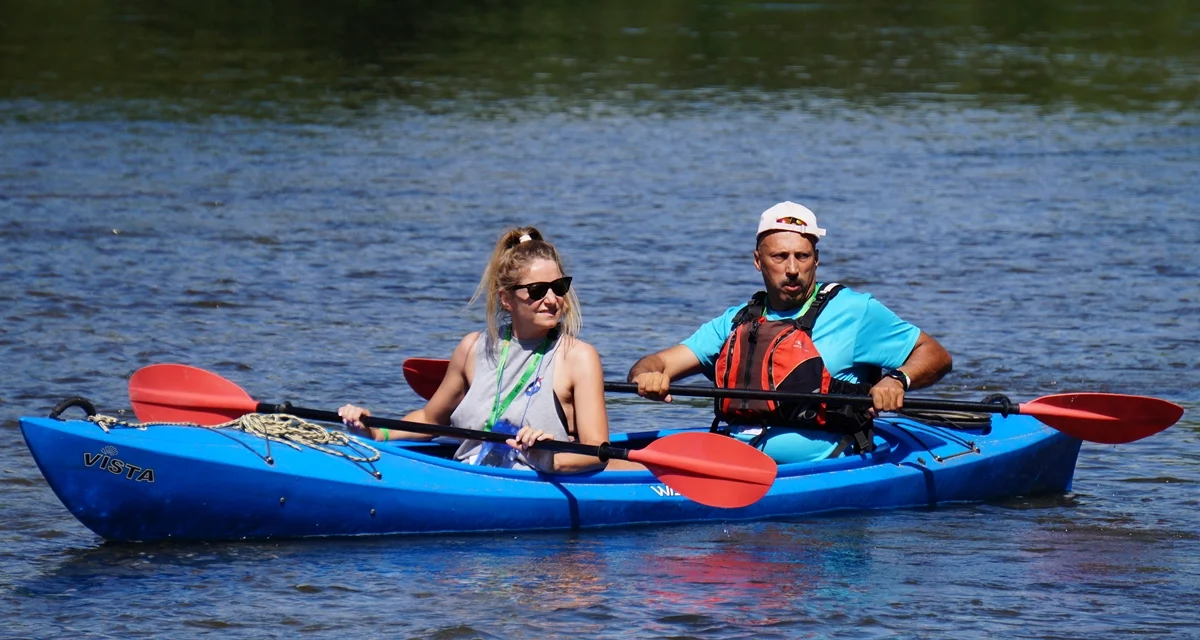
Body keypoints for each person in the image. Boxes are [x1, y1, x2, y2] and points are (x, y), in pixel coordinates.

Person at [627, 201, 953, 463]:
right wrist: (648, 376)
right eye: (780, 256)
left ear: (817, 260)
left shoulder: (855, 311)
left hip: (827, 470)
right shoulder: (737, 321)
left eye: (802, 256)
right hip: (736, 459)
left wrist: (898, 379)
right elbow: (654, 363)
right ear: (758, 261)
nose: (793, 268)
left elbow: (935, 355)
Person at [339, 226, 638, 473]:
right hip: (468, 473)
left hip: (536, 486)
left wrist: (549, 459)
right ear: (506, 299)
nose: (552, 299)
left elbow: (597, 452)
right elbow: (431, 420)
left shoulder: (578, 358)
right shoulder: (472, 348)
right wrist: (375, 431)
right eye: (537, 290)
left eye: (559, 286)